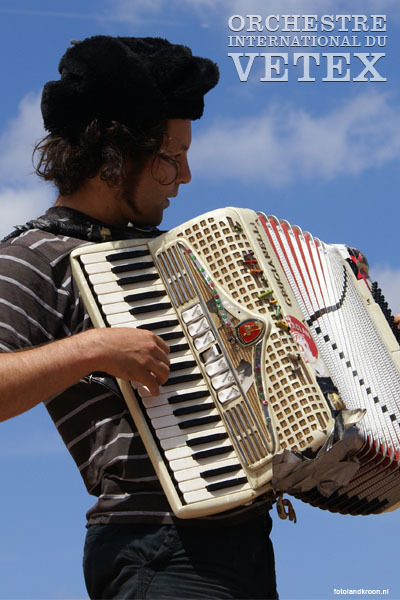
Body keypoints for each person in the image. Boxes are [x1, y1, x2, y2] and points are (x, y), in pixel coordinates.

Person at [0, 36, 278, 599]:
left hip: (248, 543)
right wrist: (91, 348)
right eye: (170, 157)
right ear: (112, 159)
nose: (186, 175)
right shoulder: (32, 257)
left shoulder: (180, 255)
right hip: (154, 549)